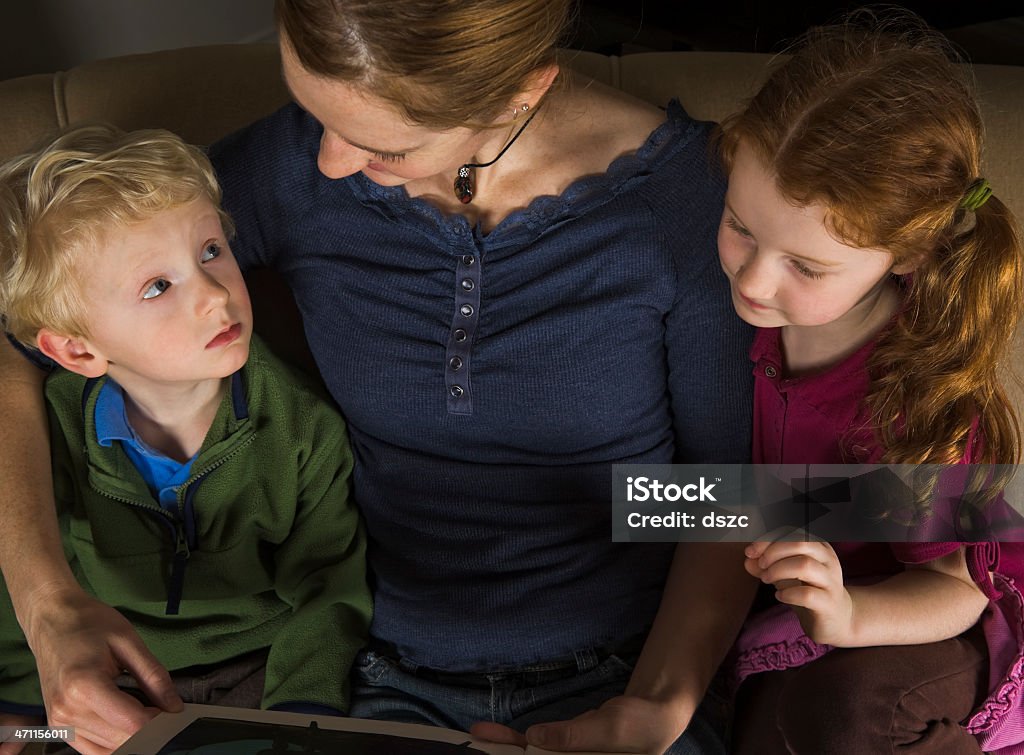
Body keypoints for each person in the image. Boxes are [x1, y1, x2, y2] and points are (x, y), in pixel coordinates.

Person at [0, 1, 755, 753]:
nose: (327, 161)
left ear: (521, 91)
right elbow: (24, 336)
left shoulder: (685, 202)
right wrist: (47, 606)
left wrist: (658, 704)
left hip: (619, 679)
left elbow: (738, 493)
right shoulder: (296, 167)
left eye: (380, 146)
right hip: (375, 681)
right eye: (311, 111)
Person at [0, 125, 372, 754]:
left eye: (210, 251)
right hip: (112, 683)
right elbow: (22, 601)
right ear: (78, 349)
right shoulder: (51, 434)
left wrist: (303, 715)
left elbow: (329, 590)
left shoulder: (303, 428)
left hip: (262, 678)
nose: (215, 295)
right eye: (157, 286)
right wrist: (20, 707)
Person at [714, 14, 1024, 754]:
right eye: (739, 225)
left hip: (930, 620)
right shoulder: (753, 314)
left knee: (850, 712)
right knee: (758, 726)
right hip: (805, 607)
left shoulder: (917, 396)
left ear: (907, 256)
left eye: (807, 266)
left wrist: (851, 615)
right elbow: (743, 500)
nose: (753, 279)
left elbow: (959, 587)